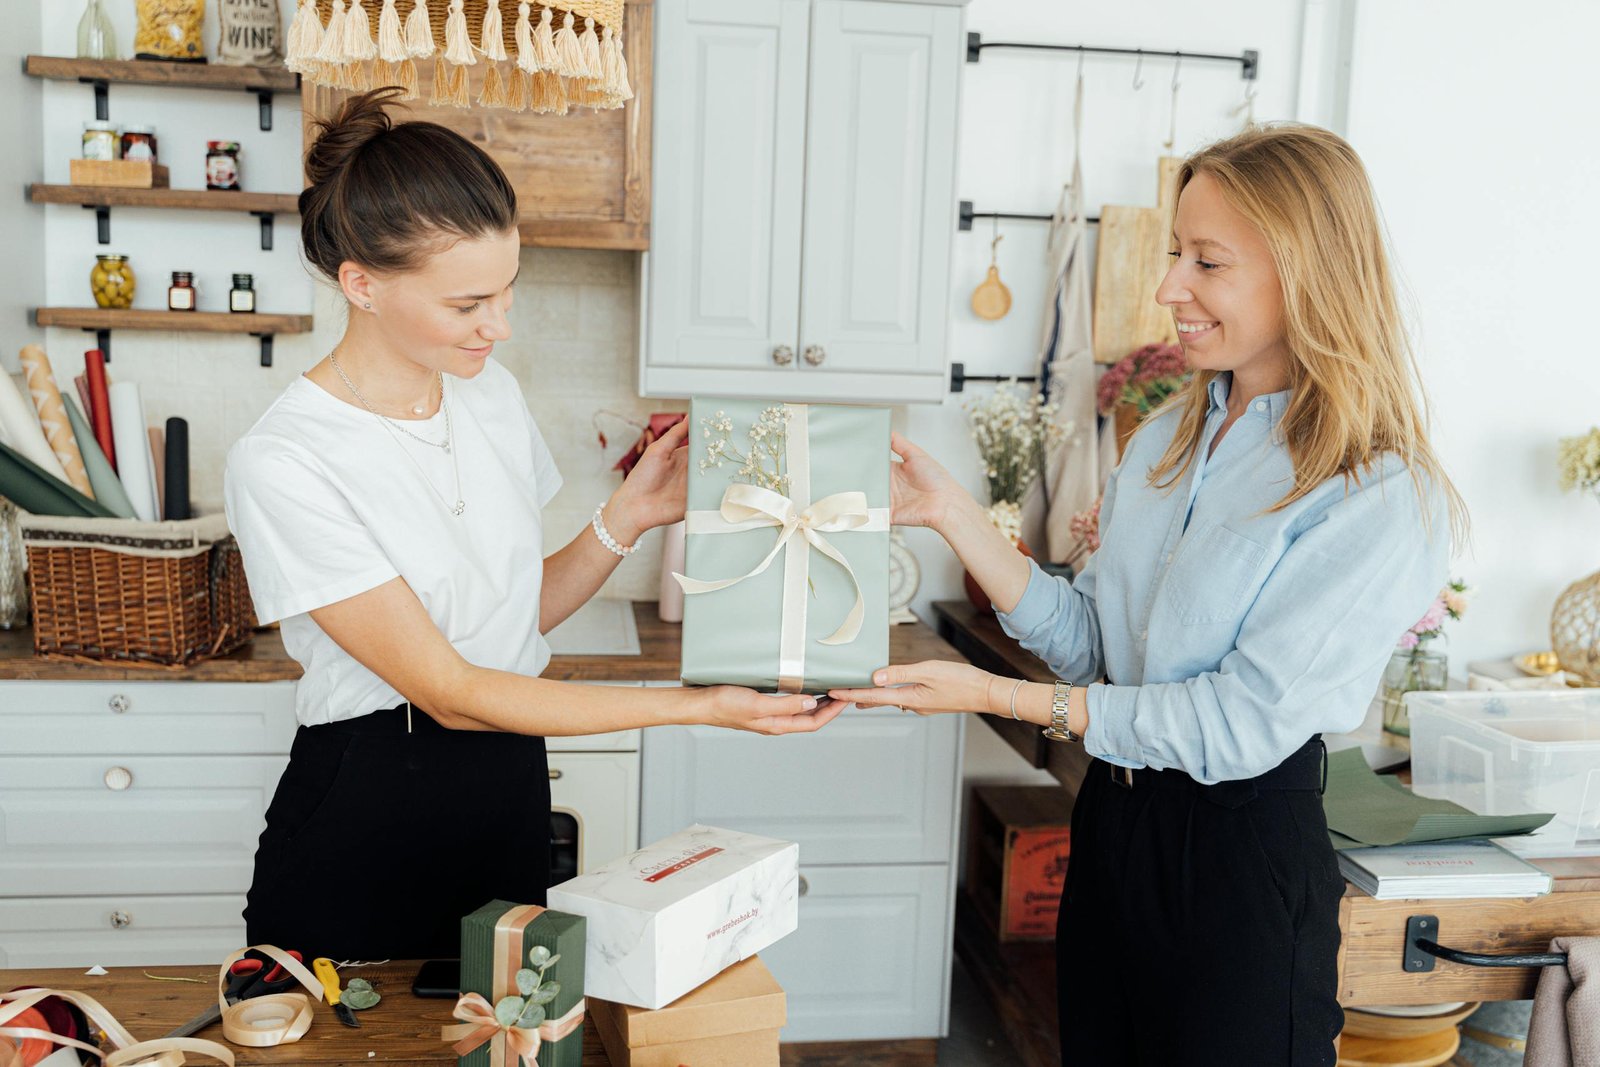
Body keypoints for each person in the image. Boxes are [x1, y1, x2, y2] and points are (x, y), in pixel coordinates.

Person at [831, 124, 1466, 1065]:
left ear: (1310, 274)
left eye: (1207, 261)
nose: (1170, 287)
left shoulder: (1377, 488)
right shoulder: (1167, 437)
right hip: (1116, 825)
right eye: (1176, 252)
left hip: (1239, 854)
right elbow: (1093, 642)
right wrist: (957, 517)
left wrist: (996, 696)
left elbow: (1238, 722)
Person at [223, 88, 837, 961]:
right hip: (366, 819)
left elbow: (511, 616)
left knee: (515, 1043)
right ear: (361, 285)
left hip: (508, 794)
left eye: (508, 292)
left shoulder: (488, 394)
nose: (499, 327)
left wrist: (631, 512)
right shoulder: (286, 457)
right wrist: (696, 706)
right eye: (468, 304)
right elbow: (449, 688)